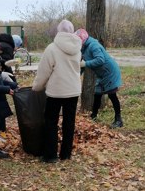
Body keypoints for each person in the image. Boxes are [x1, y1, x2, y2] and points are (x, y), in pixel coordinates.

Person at [32, 19, 82, 163]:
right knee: (69, 122)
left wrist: (37, 87)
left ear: (58, 31)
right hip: (73, 90)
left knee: (51, 122)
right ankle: (66, 154)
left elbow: (44, 72)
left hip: (56, 92)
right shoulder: (77, 48)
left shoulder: (52, 48)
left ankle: (51, 155)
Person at [75, 28, 123, 128]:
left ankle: (118, 120)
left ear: (82, 40)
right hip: (101, 74)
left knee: (112, 95)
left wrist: (85, 63)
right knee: (97, 94)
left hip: (110, 72)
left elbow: (100, 60)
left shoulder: (93, 45)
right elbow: (82, 65)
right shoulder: (83, 49)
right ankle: (94, 116)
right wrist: (77, 75)